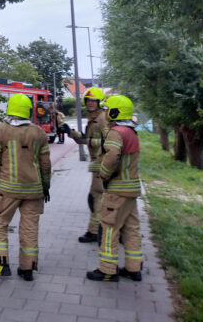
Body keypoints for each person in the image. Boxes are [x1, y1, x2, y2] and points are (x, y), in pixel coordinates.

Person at [0, 93, 52, 282]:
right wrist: (46, 186)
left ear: (10, 109)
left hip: (7, 189)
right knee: (30, 228)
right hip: (34, 191)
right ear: (28, 111)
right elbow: (46, 164)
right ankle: (27, 269)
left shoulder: (1, 130)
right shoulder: (39, 132)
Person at [86, 94, 143, 282]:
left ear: (115, 111)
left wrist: (103, 174)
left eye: (108, 109)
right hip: (132, 189)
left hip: (117, 190)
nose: (106, 112)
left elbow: (111, 156)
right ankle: (134, 269)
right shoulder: (132, 131)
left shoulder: (116, 132)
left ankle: (107, 269)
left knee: (110, 227)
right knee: (131, 228)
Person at [64, 86, 109, 243]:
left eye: (93, 101)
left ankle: (96, 231)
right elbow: (87, 139)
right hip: (96, 162)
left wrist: (87, 140)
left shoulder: (102, 118)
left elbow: (108, 141)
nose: (90, 103)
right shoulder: (93, 117)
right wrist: (72, 134)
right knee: (95, 198)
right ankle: (96, 230)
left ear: (99, 102)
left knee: (96, 198)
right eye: (88, 100)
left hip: (102, 163)